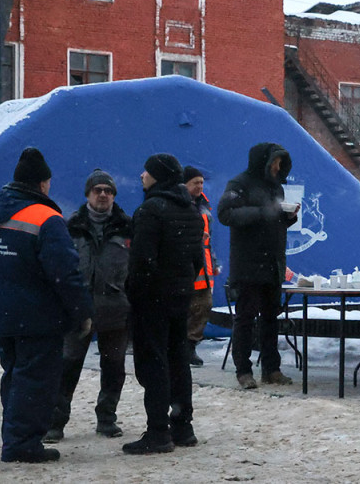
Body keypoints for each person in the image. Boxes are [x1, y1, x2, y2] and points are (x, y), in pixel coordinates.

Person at [0, 147, 91, 464]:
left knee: (14, 376)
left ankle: (14, 437)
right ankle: (23, 444)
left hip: (1, 314)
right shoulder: (46, 218)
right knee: (36, 380)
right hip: (38, 317)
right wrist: (82, 313)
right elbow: (66, 273)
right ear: (42, 184)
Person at [123, 153, 205, 455]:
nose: (142, 176)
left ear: (157, 176)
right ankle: (182, 426)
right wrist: (180, 284)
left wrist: (137, 293)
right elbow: (197, 259)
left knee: (153, 362)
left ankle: (157, 431)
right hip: (180, 296)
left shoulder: (151, 210)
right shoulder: (191, 210)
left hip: (152, 300)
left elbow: (143, 260)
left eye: (147, 172)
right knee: (178, 359)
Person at [47, 169, 132, 443]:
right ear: (88, 195)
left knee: (114, 367)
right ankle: (55, 423)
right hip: (78, 311)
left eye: (108, 190)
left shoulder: (128, 227)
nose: (103, 195)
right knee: (67, 366)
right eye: (98, 190)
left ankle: (107, 419)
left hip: (116, 310)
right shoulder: (70, 227)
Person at [218, 142, 297, 390]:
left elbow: (274, 221)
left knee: (271, 319)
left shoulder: (276, 188)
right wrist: (261, 212)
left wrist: (287, 218)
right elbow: (226, 214)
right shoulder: (239, 183)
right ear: (262, 161)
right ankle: (244, 370)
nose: (277, 167)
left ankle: (271, 369)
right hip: (248, 263)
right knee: (245, 319)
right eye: (274, 162)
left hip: (273, 263)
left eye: (280, 163)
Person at [183, 165, 221, 367]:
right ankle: (180, 347)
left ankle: (190, 347)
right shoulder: (180, 204)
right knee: (185, 308)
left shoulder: (204, 205)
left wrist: (212, 262)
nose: (200, 186)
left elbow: (209, 237)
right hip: (186, 264)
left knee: (204, 306)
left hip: (204, 265)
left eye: (201, 183)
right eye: (195, 183)